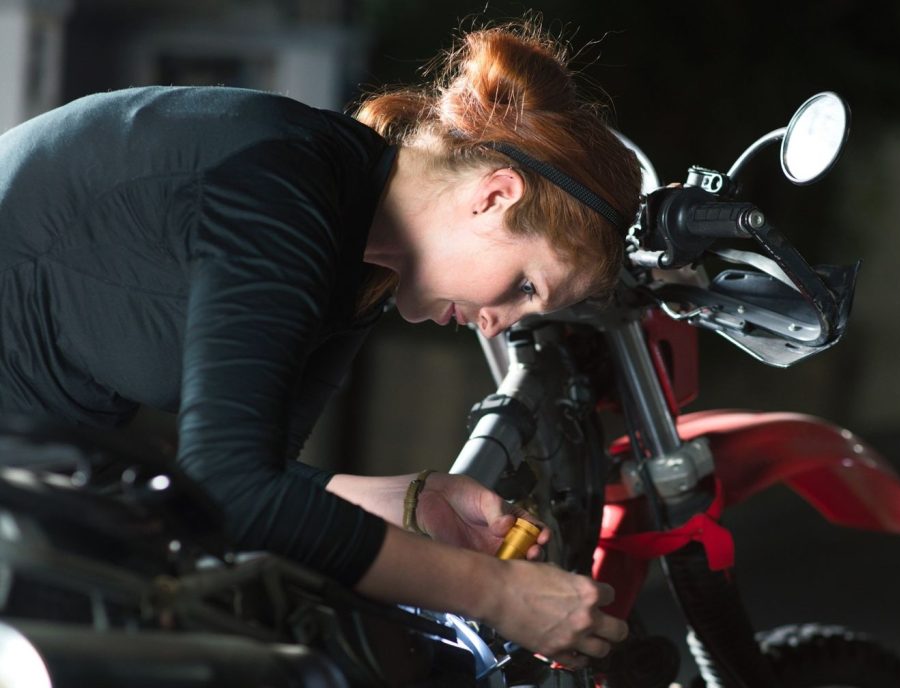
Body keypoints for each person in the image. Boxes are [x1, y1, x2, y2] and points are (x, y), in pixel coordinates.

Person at [0, 20, 642, 664]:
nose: (502, 321)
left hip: (41, 469)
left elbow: (246, 481)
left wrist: (411, 502)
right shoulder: (287, 189)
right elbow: (235, 494)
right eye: (528, 286)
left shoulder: (357, 261)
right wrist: (499, 594)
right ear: (495, 196)